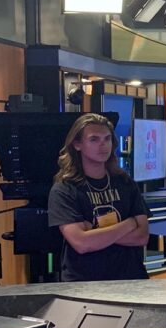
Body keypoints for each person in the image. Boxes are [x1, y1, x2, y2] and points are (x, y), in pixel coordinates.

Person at [48, 113, 149, 282]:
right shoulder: (64, 190)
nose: (103, 145)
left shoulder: (125, 183)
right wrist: (128, 224)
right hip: (85, 283)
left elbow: (142, 236)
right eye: (94, 139)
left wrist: (94, 231)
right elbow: (82, 244)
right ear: (77, 144)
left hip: (131, 280)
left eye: (107, 139)